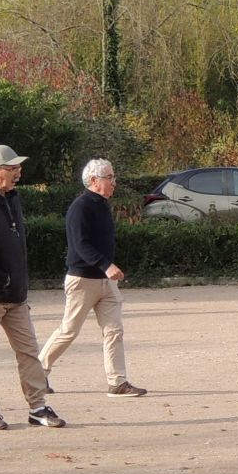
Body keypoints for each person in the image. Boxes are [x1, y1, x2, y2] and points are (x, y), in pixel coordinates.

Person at [0, 144, 63, 431]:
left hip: (16, 298)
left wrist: (17, 282)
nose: (18, 172)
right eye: (12, 168)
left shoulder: (12, 198)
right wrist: (2, 278)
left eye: (18, 167)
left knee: (29, 352)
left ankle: (38, 406)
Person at [40, 159, 147, 397]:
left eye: (113, 177)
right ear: (94, 181)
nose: (114, 182)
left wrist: (107, 271)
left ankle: (117, 382)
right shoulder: (81, 207)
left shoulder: (101, 205)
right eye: (109, 177)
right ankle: (37, 374)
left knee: (114, 331)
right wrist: (106, 265)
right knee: (68, 330)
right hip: (82, 280)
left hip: (105, 282)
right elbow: (80, 245)